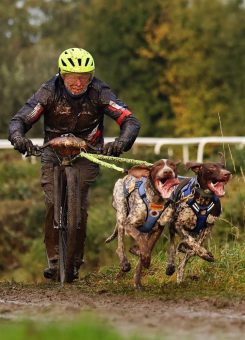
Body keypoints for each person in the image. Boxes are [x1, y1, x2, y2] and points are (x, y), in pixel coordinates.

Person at [8, 47, 140, 280]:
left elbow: (129, 119)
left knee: (78, 205)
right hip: (52, 151)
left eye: (84, 77)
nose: (78, 82)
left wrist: (121, 143)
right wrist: (19, 138)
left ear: (91, 77)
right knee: (51, 202)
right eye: (72, 77)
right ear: (62, 75)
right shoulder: (48, 91)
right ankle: (54, 258)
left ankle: (75, 260)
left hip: (87, 152)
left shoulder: (100, 91)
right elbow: (21, 119)